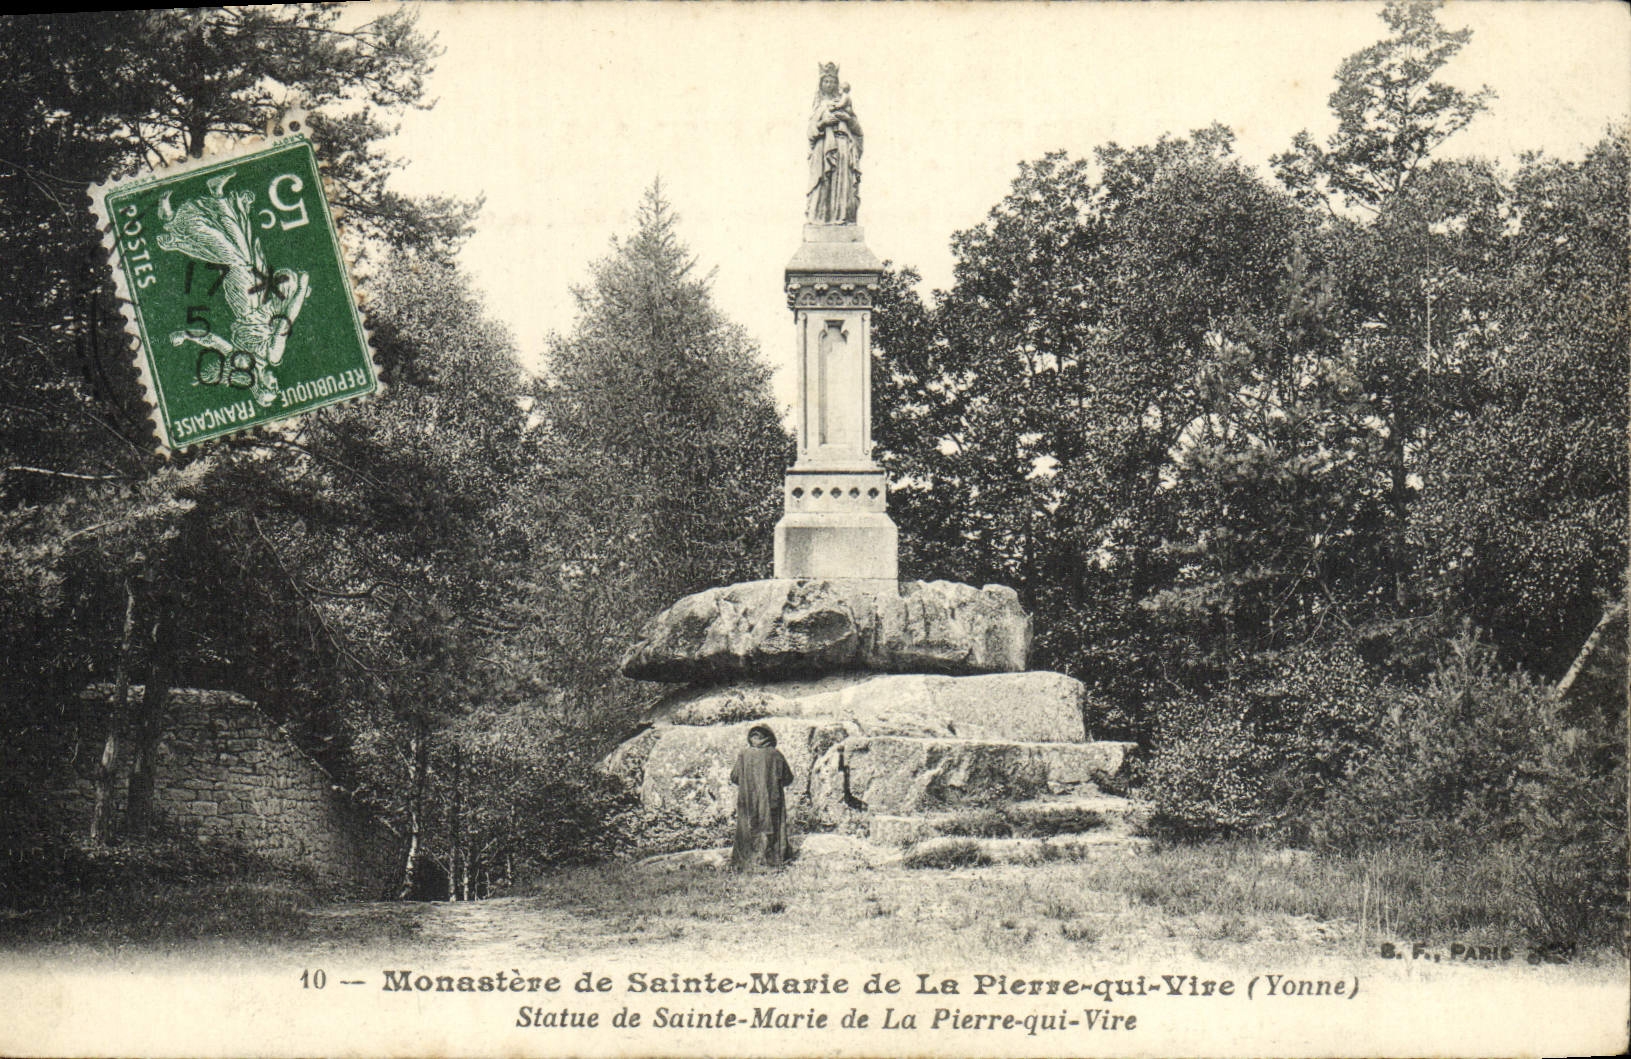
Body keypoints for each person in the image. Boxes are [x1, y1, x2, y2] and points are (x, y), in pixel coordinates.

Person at [728, 724, 794, 870]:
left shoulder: (744, 755)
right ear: (770, 737)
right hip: (771, 799)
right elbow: (788, 778)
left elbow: (734, 777)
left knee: (748, 827)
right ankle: (773, 860)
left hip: (748, 799)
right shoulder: (776, 754)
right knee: (771, 826)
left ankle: (746, 862)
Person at [805, 63, 862, 224]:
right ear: (821, 84)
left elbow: (858, 132)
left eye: (832, 81)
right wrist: (822, 123)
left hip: (843, 145)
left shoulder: (844, 102)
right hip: (824, 149)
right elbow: (810, 132)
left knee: (842, 185)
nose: (829, 85)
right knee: (823, 183)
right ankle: (821, 218)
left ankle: (841, 217)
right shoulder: (819, 105)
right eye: (826, 81)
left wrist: (848, 119)